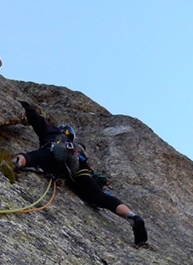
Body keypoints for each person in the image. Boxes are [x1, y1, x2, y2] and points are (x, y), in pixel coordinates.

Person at [13, 101, 148, 246]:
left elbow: (36, 120)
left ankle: (14, 162)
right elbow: (93, 176)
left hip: (52, 154)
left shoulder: (53, 133)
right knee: (100, 198)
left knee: (30, 157)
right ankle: (131, 216)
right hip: (77, 168)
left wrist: (25, 106)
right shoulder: (78, 150)